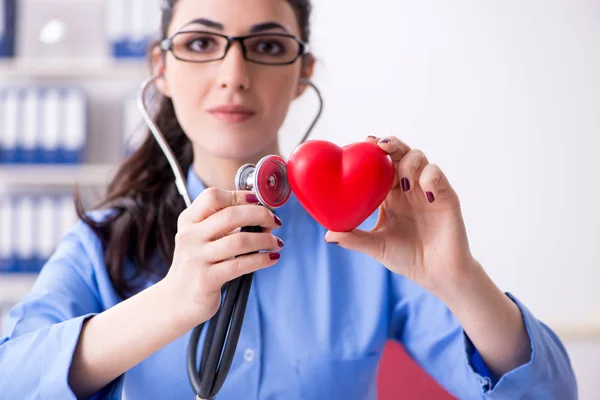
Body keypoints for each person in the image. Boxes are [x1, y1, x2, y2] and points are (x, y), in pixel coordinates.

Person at [0, 0, 577, 399]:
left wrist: (458, 277)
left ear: (303, 74)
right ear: (162, 68)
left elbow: (549, 392)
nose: (234, 72)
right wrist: (171, 303)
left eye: (267, 45)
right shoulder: (102, 244)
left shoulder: (373, 241)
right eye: (201, 42)